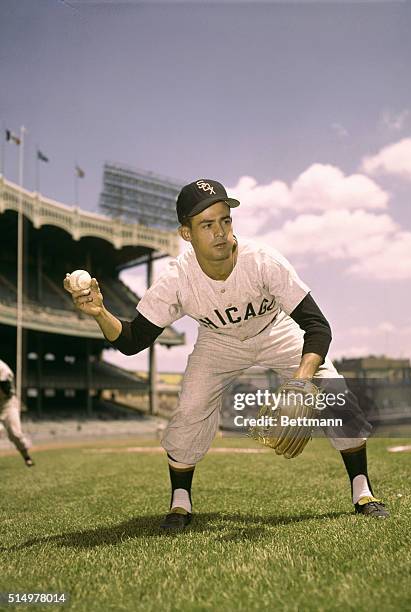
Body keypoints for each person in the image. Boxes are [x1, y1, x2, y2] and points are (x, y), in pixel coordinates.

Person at [64, 178, 389, 529]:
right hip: (219, 341)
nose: (220, 232)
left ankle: (362, 491)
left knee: (334, 393)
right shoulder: (177, 279)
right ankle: (180, 503)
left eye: (225, 220)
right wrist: (99, 312)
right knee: (190, 409)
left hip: (275, 330)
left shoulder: (262, 260)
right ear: (186, 233)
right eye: (207, 224)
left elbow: (317, 326)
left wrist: (301, 381)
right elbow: (131, 340)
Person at [0, 359, 34, 467]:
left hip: (7, 403)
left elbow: (7, 391)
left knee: (15, 434)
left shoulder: (2, 368)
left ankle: (26, 456)